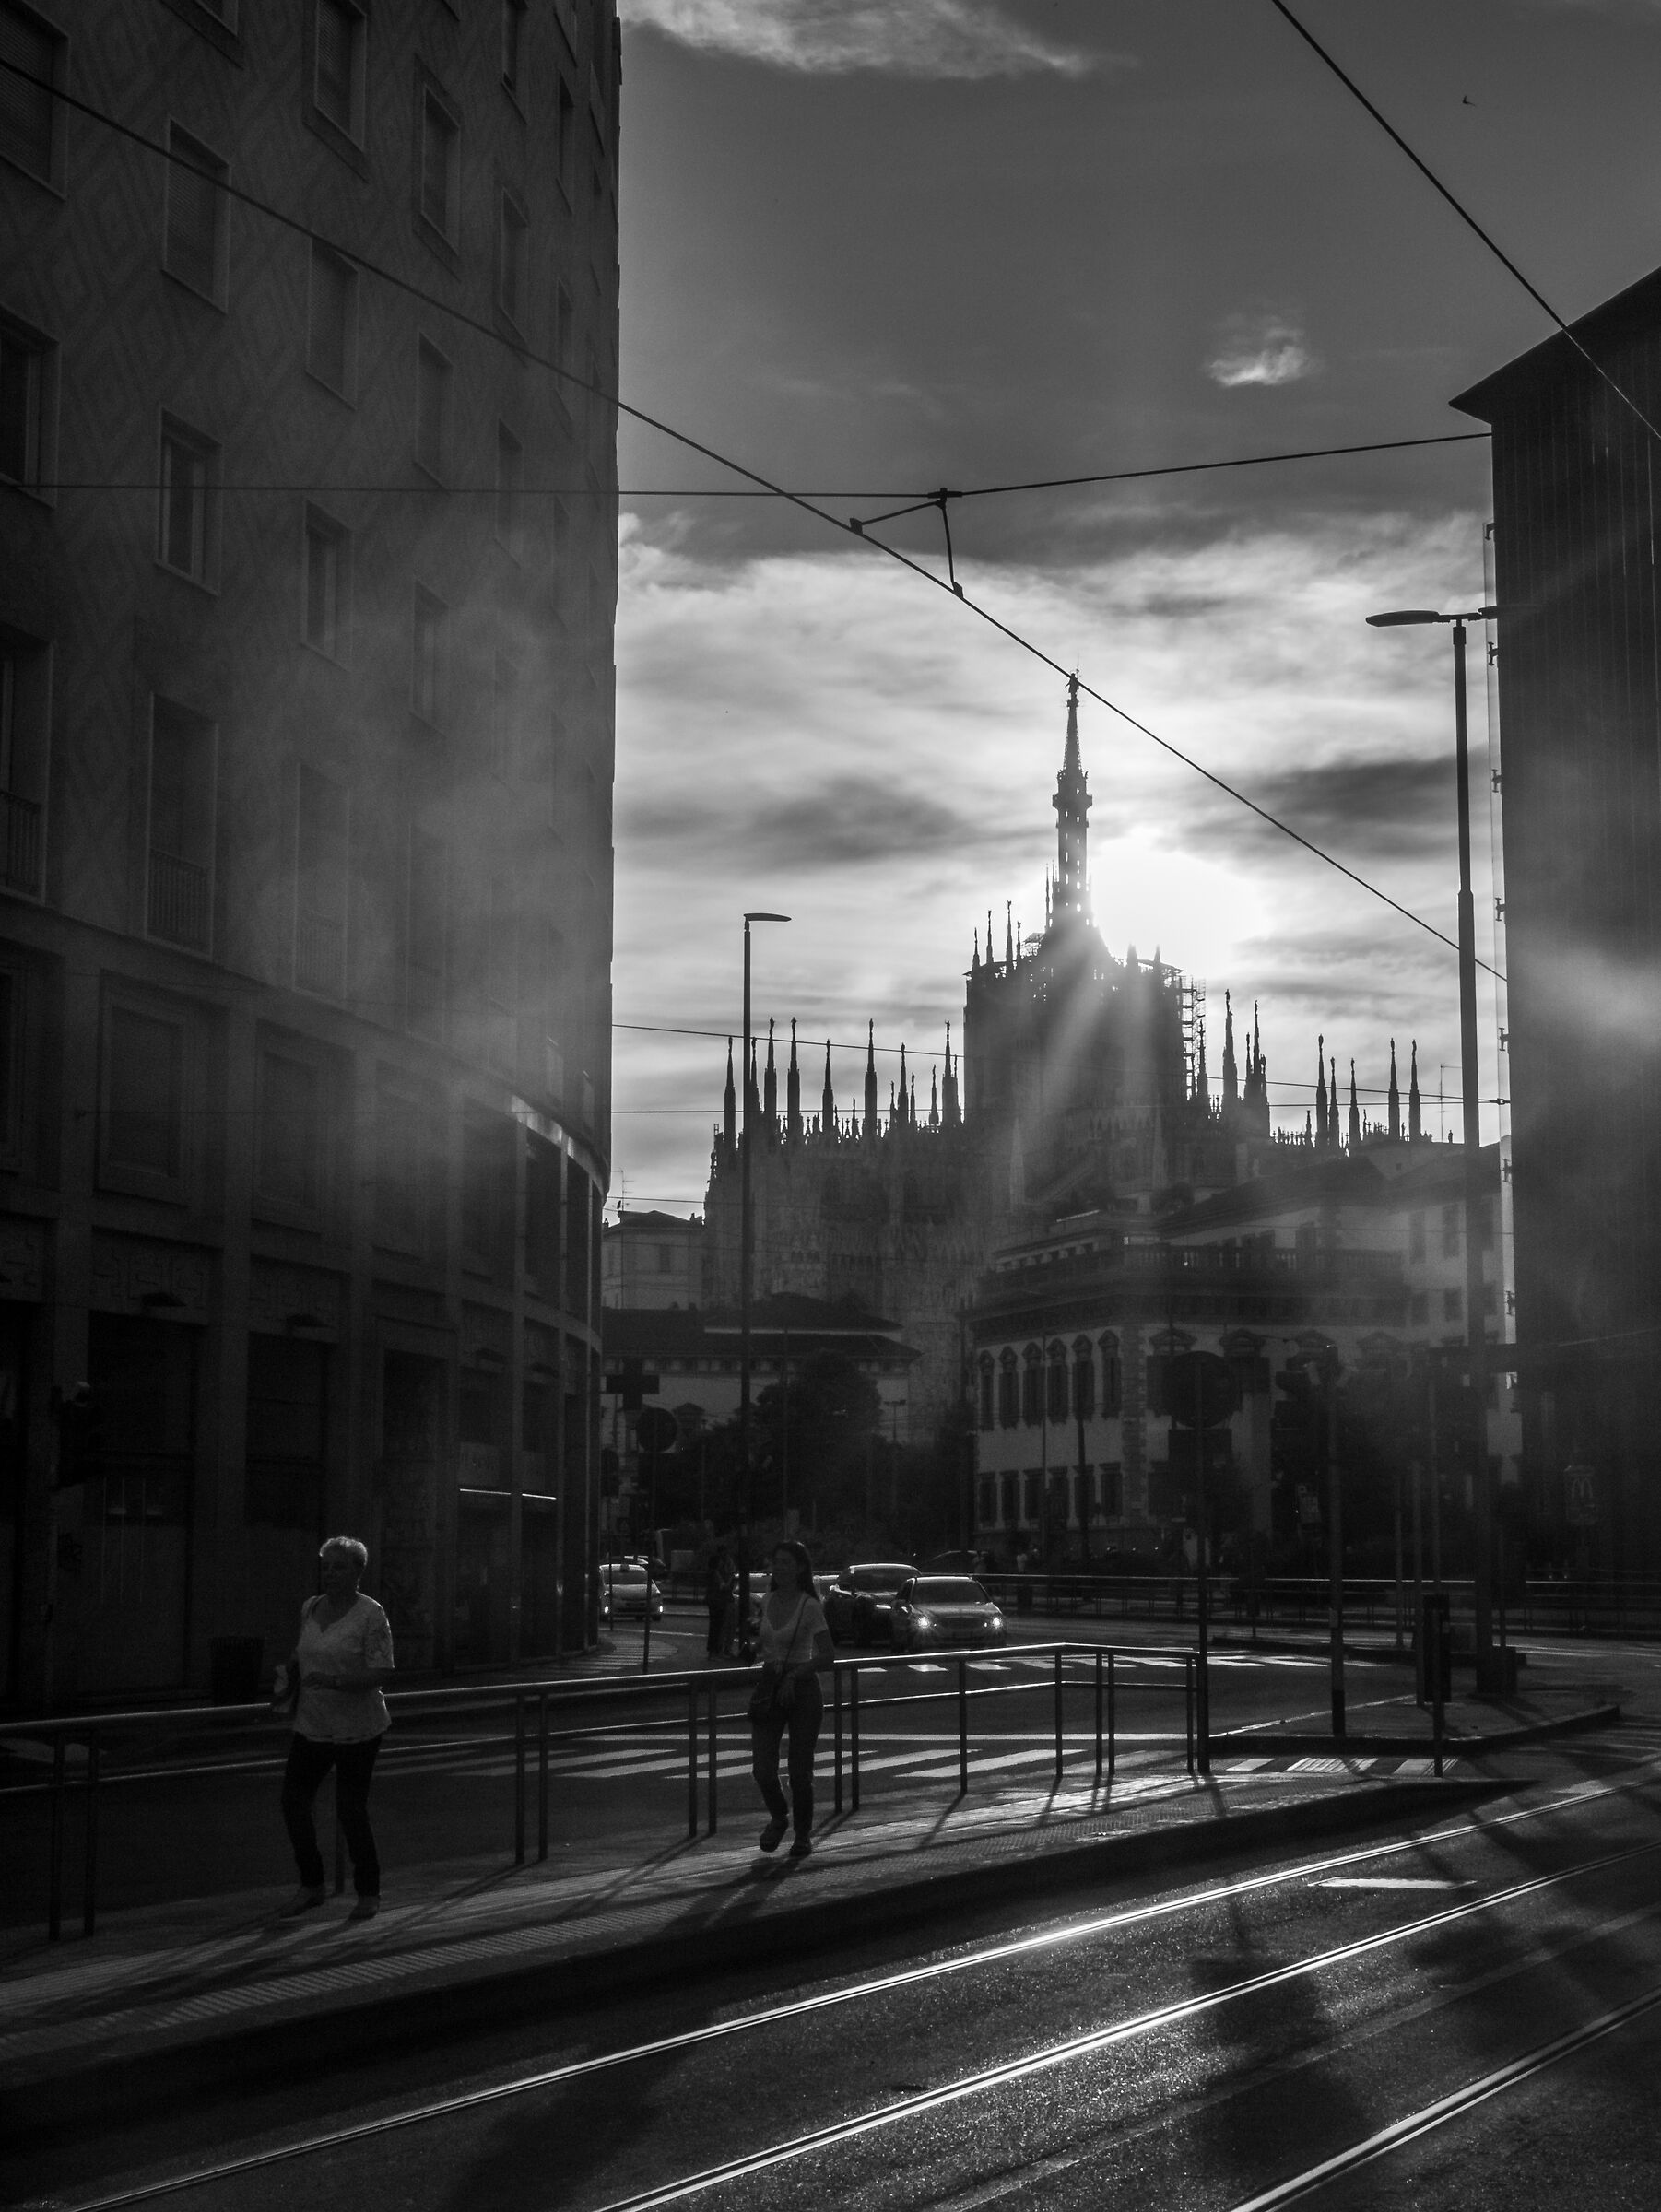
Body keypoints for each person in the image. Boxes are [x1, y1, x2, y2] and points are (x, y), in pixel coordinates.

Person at [277, 1535, 395, 1921]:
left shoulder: (370, 1614)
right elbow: (303, 1651)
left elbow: (381, 1670)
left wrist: (336, 1681)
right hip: (312, 1723)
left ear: (359, 1572)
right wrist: (291, 1670)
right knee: (294, 1802)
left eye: (340, 1567)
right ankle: (311, 1884)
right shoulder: (310, 1608)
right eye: (326, 1566)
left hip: (356, 1727)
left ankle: (368, 1891)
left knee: (350, 1809)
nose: (331, 1574)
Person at [749, 1539, 834, 1860]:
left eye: (786, 1562)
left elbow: (827, 1655)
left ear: (800, 1567)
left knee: (800, 1771)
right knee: (763, 1769)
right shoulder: (767, 1599)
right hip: (770, 1685)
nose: (780, 1567)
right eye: (776, 1561)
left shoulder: (809, 1606)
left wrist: (796, 1675)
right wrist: (750, 1647)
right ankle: (778, 1815)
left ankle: (802, 1834)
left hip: (803, 1688)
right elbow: (763, 1646)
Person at [704, 1546, 735, 1660]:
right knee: (717, 1626)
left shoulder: (714, 1570)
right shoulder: (718, 1571)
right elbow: (723, 1584)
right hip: (718, 1600)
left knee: (717, 1626)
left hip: (715, 1599)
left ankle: (714, 1651)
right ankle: (715, 1651)